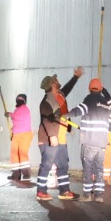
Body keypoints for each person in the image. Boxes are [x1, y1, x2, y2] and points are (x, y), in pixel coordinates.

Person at [35, 66, 83, 201]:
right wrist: (52, 136)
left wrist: (76, 77)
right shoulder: (46, 102)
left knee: (63, 165)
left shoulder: (60, 96)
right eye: (55, 81)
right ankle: (41, 191)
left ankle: (65, 191)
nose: (58, 81)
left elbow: (67, 88)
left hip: (60, 137)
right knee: (47, 164)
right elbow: (47, 119)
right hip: (50, 139)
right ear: (52, 85)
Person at [68, 77, 111, 203]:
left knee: (88, 168)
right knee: (99, 169)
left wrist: (64, 115)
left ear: (89, 88)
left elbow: (79, 110)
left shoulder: (89, 99)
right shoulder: (106, 104)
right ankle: (99, 195)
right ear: (100, 89)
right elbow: (110, 121)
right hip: (102, 143)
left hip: (90, 141)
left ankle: (87, 195)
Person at [7, 94, 32, 183]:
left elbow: (19, 118)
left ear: (24, 101)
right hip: (16, 135)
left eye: (20, 99)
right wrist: (12, 131)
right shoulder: (16, 110)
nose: (19, 101)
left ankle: (26, 173)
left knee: (22, 154)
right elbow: (17, 123)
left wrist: (10, 114)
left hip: (25, 135)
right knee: (14, 154)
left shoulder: (25, 109)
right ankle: (16, 174)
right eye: (18, 99)